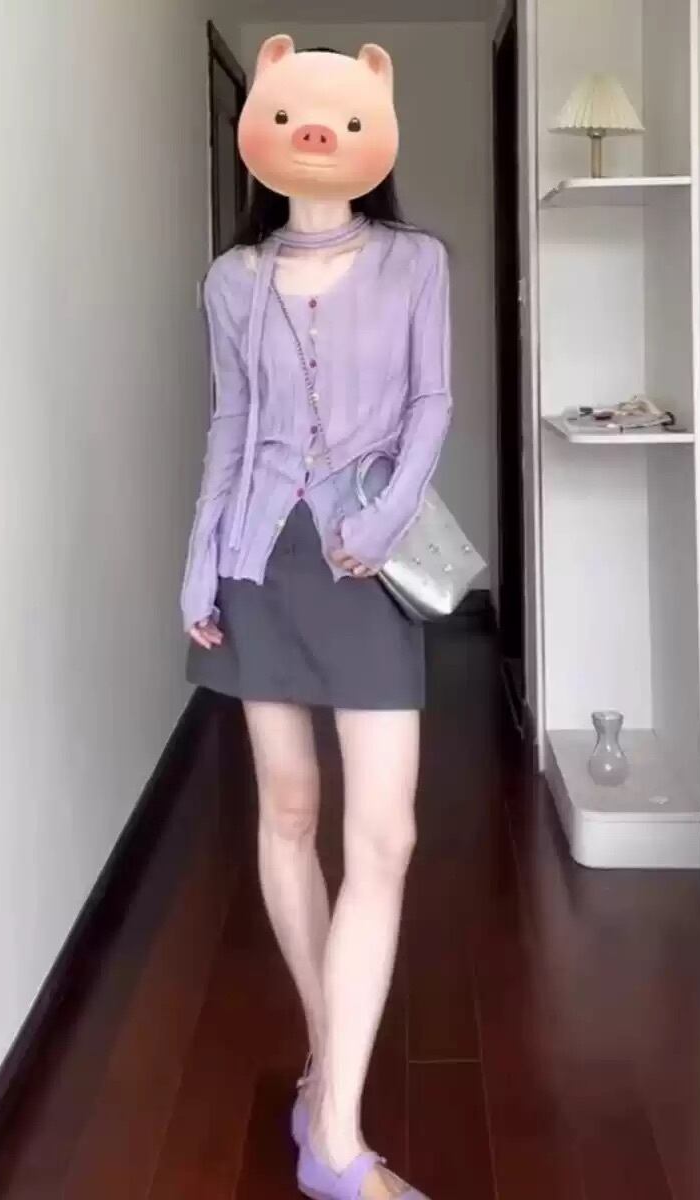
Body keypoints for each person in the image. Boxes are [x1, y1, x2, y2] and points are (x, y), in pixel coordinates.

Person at [180, 35, 451, 1200]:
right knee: (288, 814)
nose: (317, 134)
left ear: (373, 128)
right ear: (263, 128)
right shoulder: (231, 281)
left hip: (364, 562)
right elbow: (229, 427)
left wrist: (383, 524)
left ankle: (329, 1126)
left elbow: (432, 404)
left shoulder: (416, 263)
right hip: (258, 563)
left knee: (384, 836)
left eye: (342, 119)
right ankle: (332, 1112)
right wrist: (198, 563)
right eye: (296, 114)